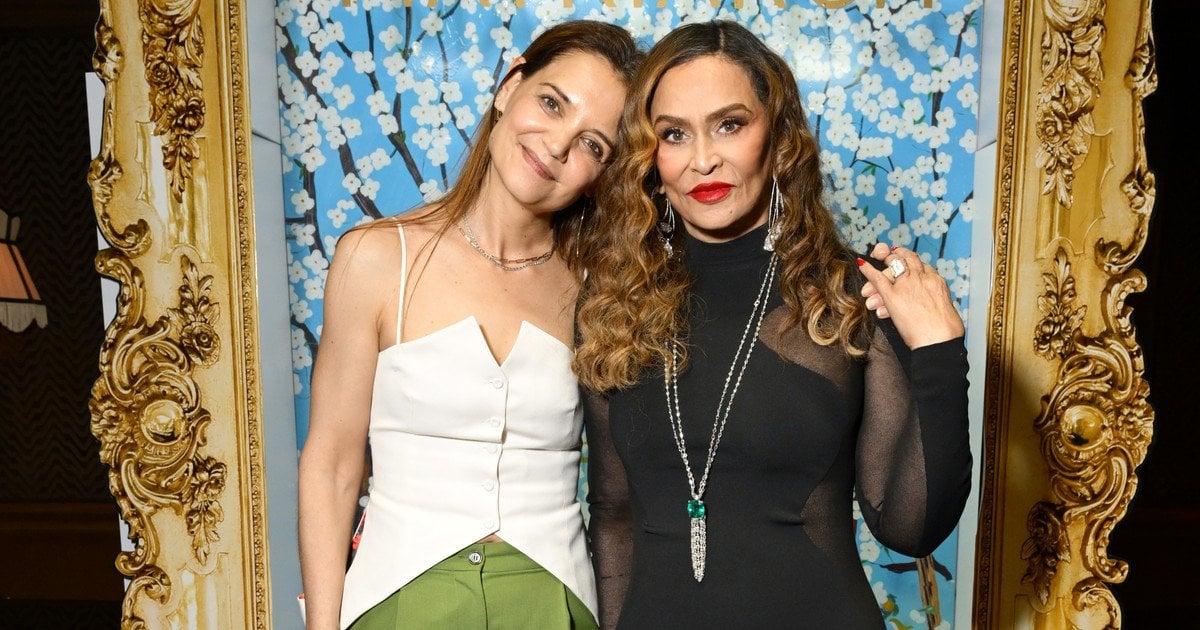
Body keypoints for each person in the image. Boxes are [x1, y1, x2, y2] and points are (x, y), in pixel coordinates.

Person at [574, 20, 971, 629]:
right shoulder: (613, 303)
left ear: (778, 135)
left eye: (729, 124)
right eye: (674, 134)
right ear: (650, 157)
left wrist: (940, 353)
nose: (703, 159)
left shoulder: (850, 294)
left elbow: (910, 527)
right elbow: (615, 513)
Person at [298, 21, 642, 630]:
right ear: (509, 86)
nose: (557, 144)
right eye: (551, 103)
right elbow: (332, 465)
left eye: (593, 144)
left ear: (605, 172)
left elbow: (622, 492)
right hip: (399, 600)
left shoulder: (602, 287)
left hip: (553, 603)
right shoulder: (376, 257)